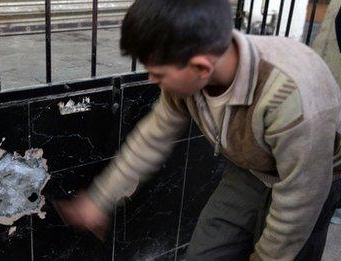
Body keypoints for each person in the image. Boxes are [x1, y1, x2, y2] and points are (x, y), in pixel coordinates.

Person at [54, 0, 341, 260]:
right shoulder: (189, 76)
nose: (154, 80)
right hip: (250, 167)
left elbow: (298, 203)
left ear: (202, 67)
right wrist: (100, 199)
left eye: (159, 73)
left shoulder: (292, 99)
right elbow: (150, 140)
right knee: (206, 251)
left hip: (312, 178)